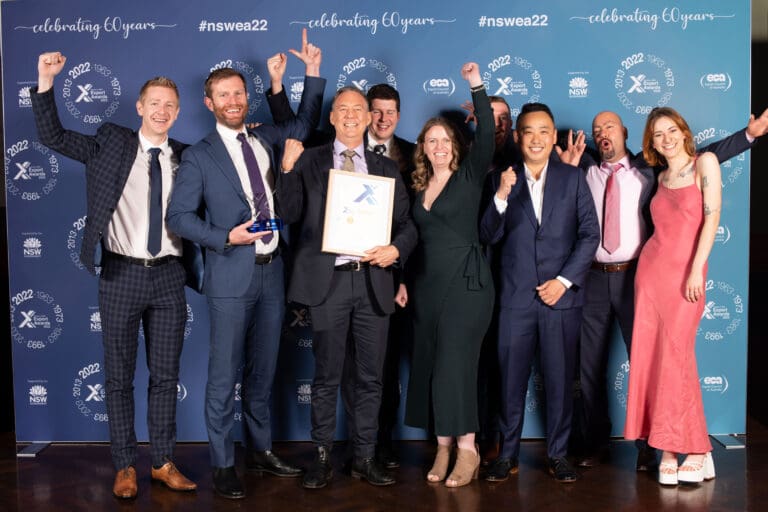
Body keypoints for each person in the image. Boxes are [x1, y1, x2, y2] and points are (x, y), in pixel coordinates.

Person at [558, 109, 768, 471]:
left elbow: (702, 156)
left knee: (655, 360)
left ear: (625, 132)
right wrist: (566, 168)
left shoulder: (649, 167)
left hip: (636, 274)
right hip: (593, 278)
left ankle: (649, 447)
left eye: (609, 126)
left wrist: (747, 136)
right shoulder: (581, 167)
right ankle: (595, 443)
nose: (602, 132)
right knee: (590, 366)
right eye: (596, 129)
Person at [165, 30, 324, 499]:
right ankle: (221, 462)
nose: (233, 100)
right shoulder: (198, 155)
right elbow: (178, 217)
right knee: (224, 372)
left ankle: (260, 449)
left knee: (263, 369)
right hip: (230, 274)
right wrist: (224, 236)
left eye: (238, 93)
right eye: (223, 95)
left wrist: (311, 72)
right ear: (209, 102)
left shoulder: (262, 138)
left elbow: (303, 125)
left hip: (272, 270)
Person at [31, 52, 196, 499]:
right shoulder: (111, 142)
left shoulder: (188, 158)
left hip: (168, 278)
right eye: (154, 103)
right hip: (121, 275)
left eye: (170, 106)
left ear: (177, 113)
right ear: (140, 107)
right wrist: (46, 80)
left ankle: (162, 461)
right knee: (118, 377)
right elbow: (53, 135)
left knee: (165, 376)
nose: (162, 111)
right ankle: (125, 465)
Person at [277, 86, 417, 489]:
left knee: (371, 378)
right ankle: (320, 457)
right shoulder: (309, 160)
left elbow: (407, 226)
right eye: (344, 109)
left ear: (370, 117)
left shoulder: (386, 168)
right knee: (326, 376)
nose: (353, 115)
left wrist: (395, 249)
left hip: (374, 281)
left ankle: (364, 457)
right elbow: (288, 213)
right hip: (329, 283)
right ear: (333, 118)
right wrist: (286, 171)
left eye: (360, 109)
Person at [480, 103, 600, 483]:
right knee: (509, 381)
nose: (536, 139)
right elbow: (487, 236)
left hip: (561, 300)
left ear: (552, 137)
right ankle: (507, 454)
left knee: (561, 381)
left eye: (544, 131)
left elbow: (589, 234)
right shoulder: (501, 177)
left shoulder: (573, 178)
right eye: (528, 131)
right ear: (517, 137)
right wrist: (500, 196)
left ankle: (559, 453)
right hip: (514, 300)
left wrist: (563, 282)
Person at [403, 62, 495, 488]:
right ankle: (442, 445)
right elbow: (410, 240)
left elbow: (490, 136)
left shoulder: (471, 176)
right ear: (422, 146)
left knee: (456, 366)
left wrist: (476, 85)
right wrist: (403, 281)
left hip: (467, 285)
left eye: (444, 140)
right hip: (426, 286)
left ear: (455, 144)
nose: (438, 146)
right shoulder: (417, 187)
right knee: (430, 364)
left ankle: (468, 449)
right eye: (431, 140)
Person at [624, 107, 721, 485]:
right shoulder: (660, 177)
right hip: (649, 275)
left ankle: (697, 448)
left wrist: (697, 267)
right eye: (657, 134)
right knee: (654, 360)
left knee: (678, 357)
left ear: (683, 131)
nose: (665, 138)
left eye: (671, 130)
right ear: (651, 142)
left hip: (686, 274)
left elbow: (711, 218)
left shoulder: (705, 163)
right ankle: (666, 446)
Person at [338, 83, 416, 470]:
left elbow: (412, 223)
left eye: (391, 112)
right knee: (351, 369)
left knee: (383, 368)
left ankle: (381, 444)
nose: (383, 119)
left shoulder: (414, 155)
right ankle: (359, 445)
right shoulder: (340, 148)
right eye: (377, 111)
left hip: (393, 277)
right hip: (343, 278)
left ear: (398, 116)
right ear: (366, 114)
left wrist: (401, 276)